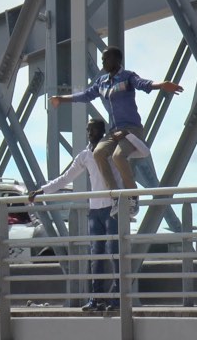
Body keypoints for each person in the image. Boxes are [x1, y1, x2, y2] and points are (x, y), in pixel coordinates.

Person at [28, 118, 149, 312]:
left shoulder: (113, 150)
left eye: (93, 130)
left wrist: (128, 135)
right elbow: (65, 178)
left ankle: (118, 298)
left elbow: (144, 152)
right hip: (95, 210)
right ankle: (96, 298)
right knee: (96, 255)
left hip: (113, 208)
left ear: (102, 132)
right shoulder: (84, 155)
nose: (90, 133)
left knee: (115, 253)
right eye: (88, 130)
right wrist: (41, 191)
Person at [49, 46, 183, 217]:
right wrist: (61, 99)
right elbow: (86, 95)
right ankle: (116, 198)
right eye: (102, 59)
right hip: (114, 131)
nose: (102, 62)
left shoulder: (127, 77)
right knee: (98, 153)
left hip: (131, 130)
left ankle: (132, 197)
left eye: (106, 59)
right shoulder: (102, 81)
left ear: (117, 60)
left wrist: (162, 85)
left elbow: (143, 84)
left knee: (118, 156)